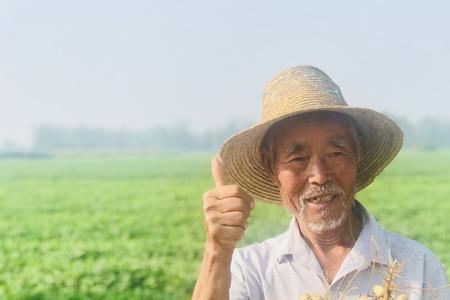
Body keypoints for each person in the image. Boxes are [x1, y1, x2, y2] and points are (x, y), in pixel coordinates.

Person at [192, 66, 449, 299]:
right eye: (298, 158)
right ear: (272, 168)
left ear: (357, 156)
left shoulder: (418, 267)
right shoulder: (250, 271)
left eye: (336, 154)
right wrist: (217, 250)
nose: (319, 176)